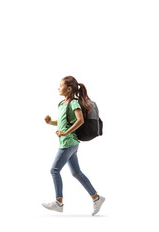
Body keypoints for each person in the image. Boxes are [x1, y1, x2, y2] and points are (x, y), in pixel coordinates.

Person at [42, 76, 105, 216]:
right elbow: (62, 122)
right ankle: (97, 198)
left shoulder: (74, 103)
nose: (58, 88)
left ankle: (58, 202)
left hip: (69, 143)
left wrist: (65, 133)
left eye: (60, 85)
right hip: (69, 143)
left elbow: (80, 120)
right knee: (76, 172)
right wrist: (50, 122)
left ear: (69, 88)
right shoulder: (61, 104)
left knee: (54, 170)